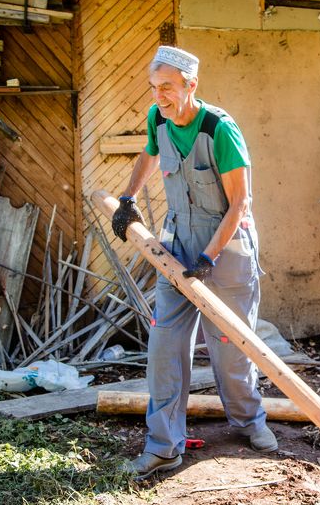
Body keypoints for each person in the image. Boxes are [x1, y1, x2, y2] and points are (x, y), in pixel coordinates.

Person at [109, 45, 275, 481]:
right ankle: (164, 446)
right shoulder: (157, 117)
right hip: (177, 246)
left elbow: (240, 202)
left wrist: (208, 258)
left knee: (231, 349)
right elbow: (149, 152)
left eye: (167, 87)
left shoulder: (219, 129)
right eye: (154, 87)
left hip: (226, 249)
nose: (159, 96)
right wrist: (128, 198)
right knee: (164, 348)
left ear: (190, 85)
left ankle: (248, 423)